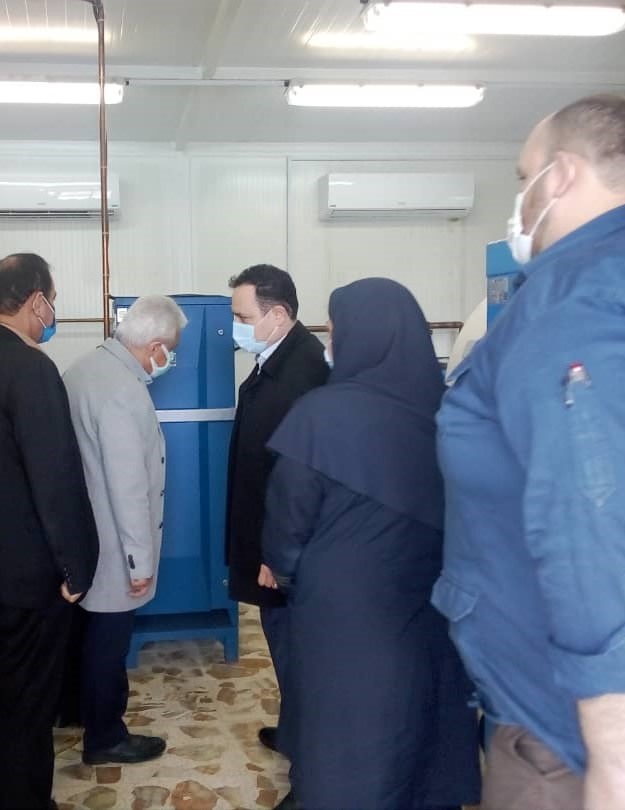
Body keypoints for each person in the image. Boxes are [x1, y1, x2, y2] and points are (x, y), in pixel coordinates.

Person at [436, 94, 625, 810]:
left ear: (560, 176)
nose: (519, 202)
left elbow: (599, 525)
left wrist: (618, 763)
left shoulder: (576, 299)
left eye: (524, 178)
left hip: (572, 742)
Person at [262, 278, 480, 810]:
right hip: (435, 607)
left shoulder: (320, 415)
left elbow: (287, 524)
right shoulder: (454, 411)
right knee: (427, 726)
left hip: (345, 617)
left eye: (334, 331)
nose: (330, 343)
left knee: (348, 737)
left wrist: (288, 574)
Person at [0, 254, 99, 810]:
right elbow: (54, 478)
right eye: (51, 300)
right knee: (29, 702)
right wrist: (77, 566)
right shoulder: (31, 369)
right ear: (36, 301)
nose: (52, 311)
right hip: (31, 575)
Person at [63, 295, 187, 766]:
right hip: (114, 541)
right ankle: (105, 737)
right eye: (171, 349)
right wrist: (140, 560)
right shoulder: (122, 390)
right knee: (108, 642)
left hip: (84, 536)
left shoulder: (85, 369)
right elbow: (128, 485)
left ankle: (75, 710)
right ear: (155, 346)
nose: (169, 359)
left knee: (88, 633)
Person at [224, 264, 328, 756]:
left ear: (279, 315)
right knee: (282, 643)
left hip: (284, 551)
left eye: (243, 317)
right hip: (270, 541)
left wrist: (277, 553)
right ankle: (295, 729)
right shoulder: (275, 359)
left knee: (297, 650)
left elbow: (298, 479)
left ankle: (308, 755)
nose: (236, 327)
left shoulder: (302, 372)